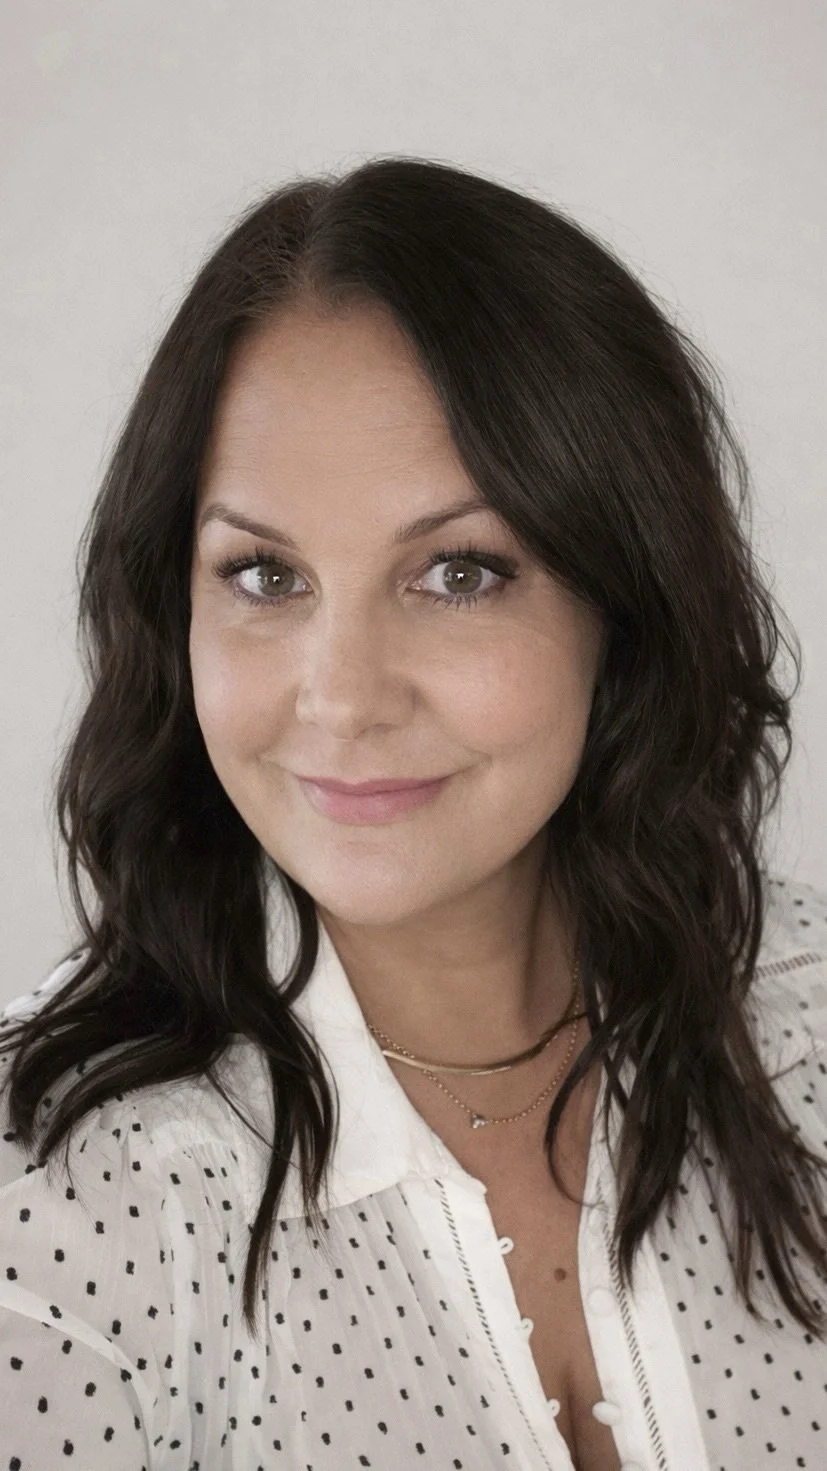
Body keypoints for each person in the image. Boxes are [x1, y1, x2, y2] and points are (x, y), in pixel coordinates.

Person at [0, 155, 824, 1471]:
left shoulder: (809, 1024)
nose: (341, 699)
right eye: (262, 573)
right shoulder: (50, 1204)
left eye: (457, 571)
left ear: (623, 600)